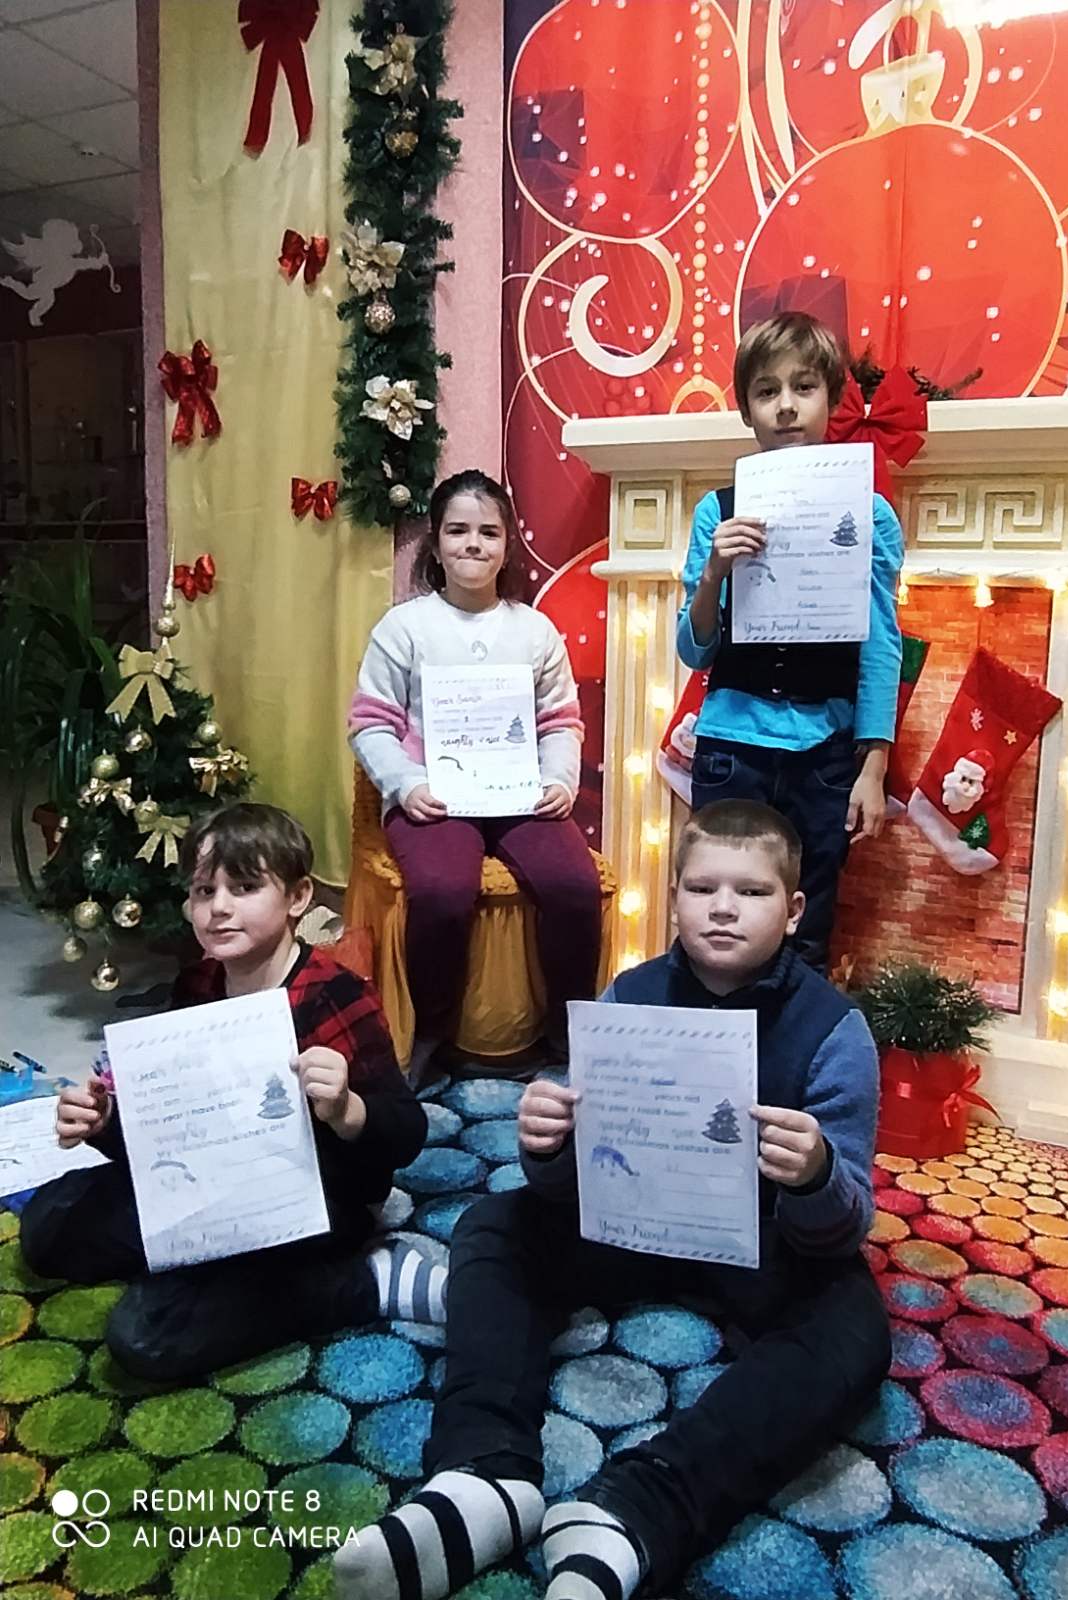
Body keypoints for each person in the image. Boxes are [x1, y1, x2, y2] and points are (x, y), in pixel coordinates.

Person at [334, 799, 891, 1600]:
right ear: (674, 897)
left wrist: (814, 1175)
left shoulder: (834, 1031)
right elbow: (573, 1181)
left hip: (766, 1245)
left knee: (856, 1331)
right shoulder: (630, 996)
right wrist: (548, 1147)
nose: (723, 908)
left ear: (794, 908)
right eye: (702, 888)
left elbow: (844, 1224)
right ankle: (482, 1474)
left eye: (752, 892)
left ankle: (640, 1508)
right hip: (632, 1225)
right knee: (494, 1224)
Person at [20, 803, 439, 1382]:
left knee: (147, 1337)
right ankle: (209, 1262)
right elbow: (166, 1136)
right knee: (49, 1224)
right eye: (203, 891)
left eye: (244, 888)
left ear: (298, 897)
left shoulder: (335, 995)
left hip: (315, 1198)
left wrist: (347, 1110)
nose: (218, 907)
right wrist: (106, 1121)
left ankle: (362, 1284)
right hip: (208, 1184)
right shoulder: (197, 984)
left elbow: (406, 1135)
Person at [349, 468, 602, 1080]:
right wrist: (407, 785)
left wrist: (559, 781)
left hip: (520, 796)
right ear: (435, 544)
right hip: (433, 796)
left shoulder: (534, 630)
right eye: (457, 530)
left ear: (507, 545)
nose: (473, 544)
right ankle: (434, 1029)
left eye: (489, 532)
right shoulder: (405, 628)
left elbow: (560, 721)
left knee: (575, 886)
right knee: (441, 892)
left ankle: (567, 1031)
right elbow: (370, 725)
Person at [678, 311, 904, 971]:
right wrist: (714, 573)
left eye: (803, 387)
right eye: (766, 390)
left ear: (831, 399)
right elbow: (693, 650)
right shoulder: (717, 511)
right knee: (716, 920)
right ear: (746, 408)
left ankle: (793, 1039)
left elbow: (881, 643)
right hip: (733, 749)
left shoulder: (871, 514)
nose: (785, 406)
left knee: (808, 924)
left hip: (823, 755)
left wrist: (873, 766)